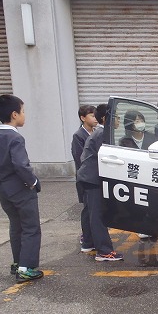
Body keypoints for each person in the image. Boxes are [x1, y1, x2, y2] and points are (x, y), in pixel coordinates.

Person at [0, 94, 43, 282]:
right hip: (21, 189)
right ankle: (26, 268)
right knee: (31, 228)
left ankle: (18, 263)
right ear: (14, 114)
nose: (24, 115)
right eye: (23, 111)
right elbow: (21, 165)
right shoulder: (15, 138)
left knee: (16, 226)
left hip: (3, 190)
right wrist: (33, 182)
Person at [76, 104, 124, 262]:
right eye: (116, 117)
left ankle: (88, 243)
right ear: (105, 118)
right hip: (93, 179)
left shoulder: (99, 133)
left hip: (88, 177)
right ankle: (104, 251)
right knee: (97, 215)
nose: (118, 120)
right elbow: (109, 159)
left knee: (91, 212)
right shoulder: (102, 134)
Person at [71, 104, 97, 247]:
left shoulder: (95, 132)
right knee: (87, 209)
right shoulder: (78, 136)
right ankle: (86, 236)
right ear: (83, 118)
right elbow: (79, 158)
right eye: (92, 115)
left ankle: (91, 234)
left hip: (94, 177)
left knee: (93, 209)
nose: (95, 118)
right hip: (86, 178)